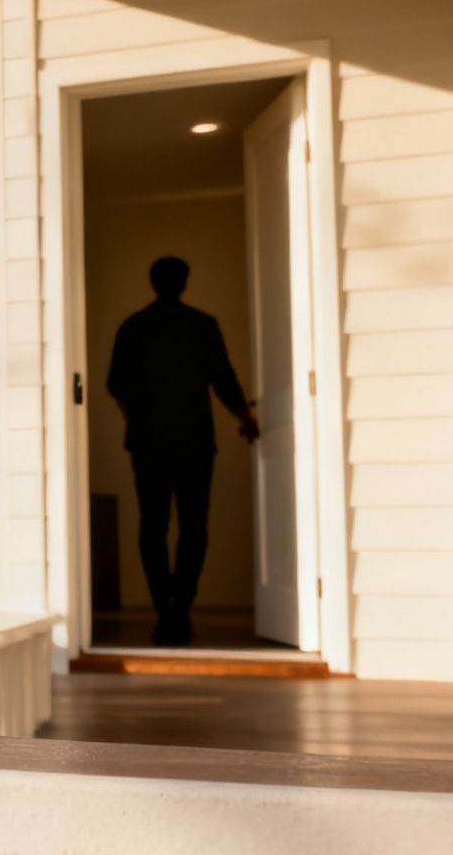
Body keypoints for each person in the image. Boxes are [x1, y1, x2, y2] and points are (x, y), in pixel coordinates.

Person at [106, 256, 259, 647]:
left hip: (147, 442)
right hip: (194, 441)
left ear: (152, 282)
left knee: (152, 525)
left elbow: (115, 384)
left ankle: (166, 607)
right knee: (194, 525)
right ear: (185, 283)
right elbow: (222, 377)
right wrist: (245, 416)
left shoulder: (133, 327)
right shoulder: (201, 325)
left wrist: (135, 414)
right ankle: (180, 605)